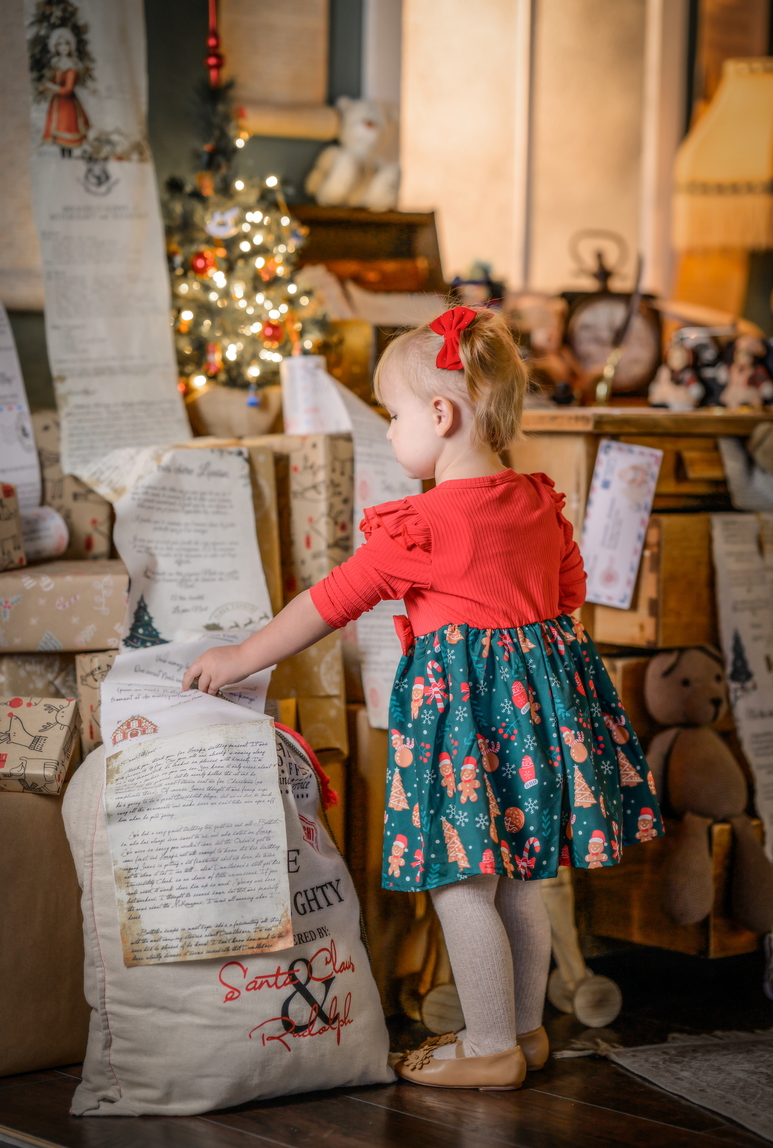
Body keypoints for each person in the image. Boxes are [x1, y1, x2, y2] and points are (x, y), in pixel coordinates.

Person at [183, 306, 662, 1092]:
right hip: (544, 717)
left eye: (395, 414)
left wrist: (240, 655)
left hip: (465, 725)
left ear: (441, 416)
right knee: (518, 875)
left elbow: (328, 601)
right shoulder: (539, 500)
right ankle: (524, 1033)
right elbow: (567, 593)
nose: (392, 432)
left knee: (459, 878)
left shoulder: (423, 525)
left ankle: (488, 1047)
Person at [42, 27, 90, 157]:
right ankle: (63, 160)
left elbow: (68, 89)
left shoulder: (72, 66)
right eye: (59, 44)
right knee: (59, 140)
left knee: (67, 135)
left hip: (68, 107)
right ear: (55, 47)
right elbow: (53, 80)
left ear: (71, 45)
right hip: (57, 104)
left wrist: (52, 87)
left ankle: (68, 162)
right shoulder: (56, 62)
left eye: (66, 44)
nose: (63, 47)